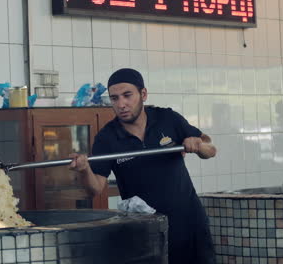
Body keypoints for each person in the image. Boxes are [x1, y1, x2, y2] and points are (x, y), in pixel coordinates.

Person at [69, 68, 217, 264]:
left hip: (189, 222)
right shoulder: (107, 138)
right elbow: (94, 188)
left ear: (143, 94)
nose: (121, 104)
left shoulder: (168, 119)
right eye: (114, 98)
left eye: (127, 95)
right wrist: (84, 170)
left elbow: (211, 149)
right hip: (146, 231)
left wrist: (198, 145)